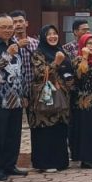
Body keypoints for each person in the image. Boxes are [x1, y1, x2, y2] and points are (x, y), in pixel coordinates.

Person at [0, 13, 27, 181]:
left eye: (11, 27)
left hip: (16, 96)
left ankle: (10, 165)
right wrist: (7, 54)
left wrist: (24, 94)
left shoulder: (14, 43)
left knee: (14, 133)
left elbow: (20, 71)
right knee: (0, 133)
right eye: (5, 27)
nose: (9, 30)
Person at [28, 25, 74, 172]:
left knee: (59, 129)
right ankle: (45, 163)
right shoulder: (38, 53)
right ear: (43, 37)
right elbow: (40, 73)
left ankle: (60, 162)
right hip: (46, 97)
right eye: (49, 34)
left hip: (62, 96)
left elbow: (69, 70)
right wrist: (56, 63)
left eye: (55, 33)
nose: (53, 36)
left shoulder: (62, 50)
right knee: (45, 130)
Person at [64, 18, 90, 162]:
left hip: (90, 91)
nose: (87, 31)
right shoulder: (67, 48)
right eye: (83, 29)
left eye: (88, 29)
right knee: (73, 123)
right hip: (74, 91)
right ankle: (74, 151)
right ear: (75, 32)